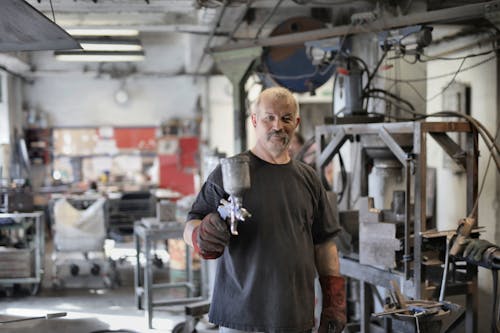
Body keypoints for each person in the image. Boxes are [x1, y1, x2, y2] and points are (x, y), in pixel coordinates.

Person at [183, 86, 346, 333]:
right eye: (269, 117)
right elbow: (190, 224)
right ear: (255, 121)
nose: (277, 126)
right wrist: (200, 235)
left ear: (296, 123)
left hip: (295, 315)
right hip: (240, 316)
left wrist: (334, 302)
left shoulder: (309, 178)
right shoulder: (229, 172)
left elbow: (324, 244)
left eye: (286, 118)